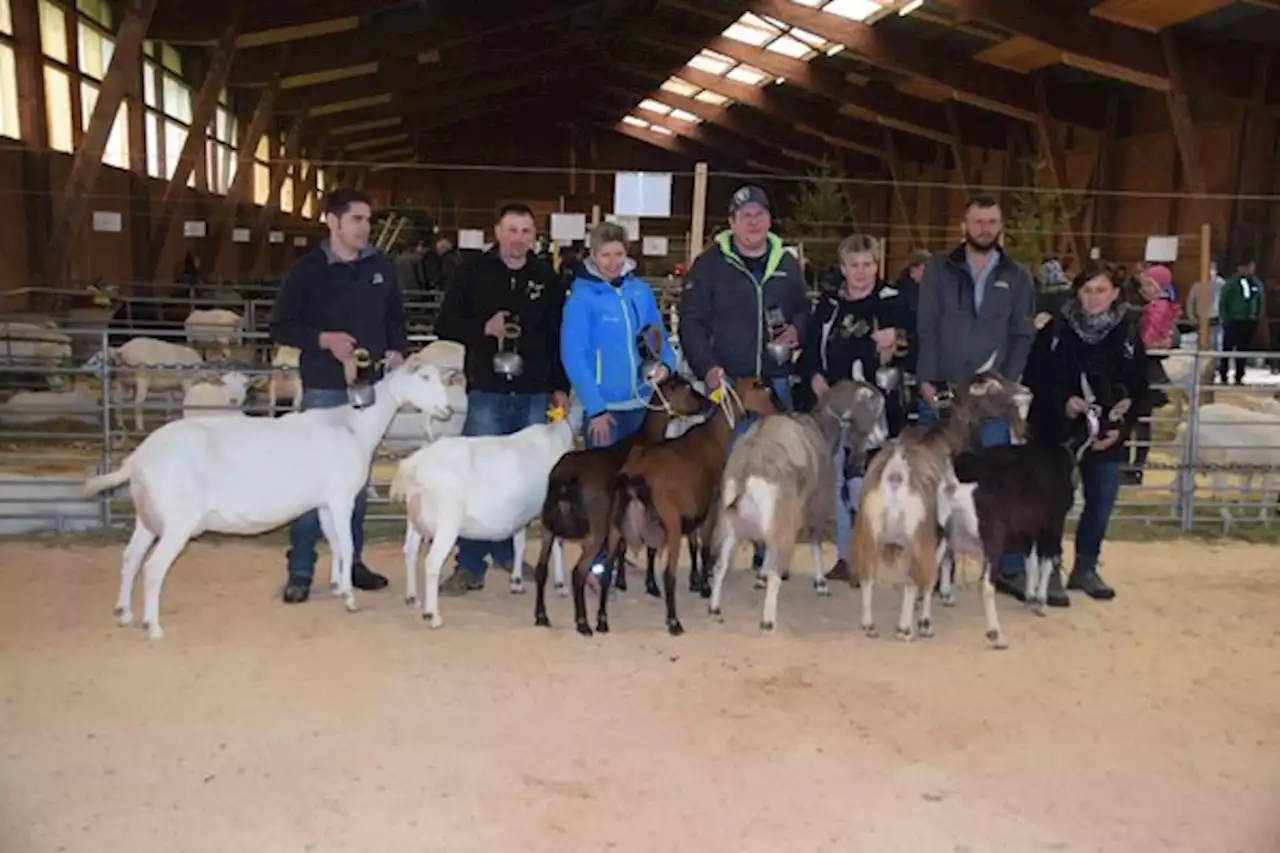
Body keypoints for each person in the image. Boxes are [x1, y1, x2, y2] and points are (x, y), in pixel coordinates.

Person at [269, 187, 409, 604]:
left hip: (366, 391)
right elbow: (282, 325)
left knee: (355, 481)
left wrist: (397, 349)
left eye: (368, 220)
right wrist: (323, 339)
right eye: (357, 219)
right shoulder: (307, 270)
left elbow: (396, 317)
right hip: (325, 391)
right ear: (332, 221)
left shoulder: (380, 267)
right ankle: (301, 569)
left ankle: (353, 562)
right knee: (312, 482)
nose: (366, 227)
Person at [434, 202, 570, 595]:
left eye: (526, 231)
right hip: (488, 391)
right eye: (512, 230)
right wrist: (482, 328)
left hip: (532, 391)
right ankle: (470, 562)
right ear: (497, 231)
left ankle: (510, 553)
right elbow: (444, 323)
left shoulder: (546, 277)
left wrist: (558, 385)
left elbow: (556, 335)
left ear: (534, 236)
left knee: (524, 480)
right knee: (478, 476)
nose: (518, 239)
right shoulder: (472, 272)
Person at [678, 184, 809, 572]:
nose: (753, 221)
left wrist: (796, 332)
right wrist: (708, 368)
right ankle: (716, 549)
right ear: (732, 222)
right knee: (726, 469)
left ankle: (765, 551)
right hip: (729, 387)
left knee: (775, 470)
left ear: (769, 220)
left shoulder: (786, 264)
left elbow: (803, 309)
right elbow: (691, 322)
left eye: (760, 214)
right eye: (745, 215)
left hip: (774, 384)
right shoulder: (709, 265)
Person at [915, 194, 1037, 597]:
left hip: (993, 397)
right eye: (978, 221)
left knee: (1002, 477)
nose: (985, 228)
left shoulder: (1017, 276)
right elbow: (927, 327)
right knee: (937, 477)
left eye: (992, 221)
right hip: (946, 391)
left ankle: (1009, 566)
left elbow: (1022, 334)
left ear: (1001, 226)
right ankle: (933, 563)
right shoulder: (939, 270)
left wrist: (1007, 381)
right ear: (963, 226)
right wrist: (928, 380)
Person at [1022, 262, 1148, 602]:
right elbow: (1032, 374)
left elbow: (1140, 387)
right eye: (1087, 290)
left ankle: (1086, 566)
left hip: (1104, 434)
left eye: (1101, 291)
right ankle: (1049, 566)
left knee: (1101, 500)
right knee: (1051, 503)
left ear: (1115, 294)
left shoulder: (1129, 335)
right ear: (1076, 292)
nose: (1093, 298)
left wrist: (1121, 428)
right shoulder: (1056, 329)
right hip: (1054, 432)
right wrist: (1063, 401)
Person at [800, 235, 912, 582]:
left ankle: (876, 550)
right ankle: (848, 556)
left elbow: (916, 346)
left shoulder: (894, 303)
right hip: (835, 412)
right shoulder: (829, 307)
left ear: (876, 266)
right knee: (837, 487)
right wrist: (814, 377)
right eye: (854, 265)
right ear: (843, 268)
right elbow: (809, 352)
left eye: (867, 264)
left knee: (866, 487)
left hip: (878, 414)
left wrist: (899, 340)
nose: (860, 272)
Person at [561, 222, 677, 449]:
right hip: (606, 412)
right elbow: (574, 356)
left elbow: (657, 334)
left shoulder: (640, 291)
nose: (613, 262)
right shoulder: (581, 299)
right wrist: (596, 409)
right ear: (593, 255)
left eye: (619, 254)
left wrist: (666, 364)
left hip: (644, 405)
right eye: (605, 255)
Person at [1126, 270, 1182, 485]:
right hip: (1142, 369)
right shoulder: (1151, 308)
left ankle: (1134, 467)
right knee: (1136, 421)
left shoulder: (1157, 309)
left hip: (1146, 371)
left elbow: (1152, 339)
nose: (1144, 289)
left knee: (1138, 420)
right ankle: (1132, 466)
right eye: (1143, 285)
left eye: (1149, 285)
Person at [1217, 254, 1263, 385]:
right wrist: (1225, 318)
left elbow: (1260, 300)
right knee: (1227, 348)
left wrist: (1256, 316)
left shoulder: (1256, 283)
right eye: (1247, 267)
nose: (1250, 269)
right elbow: (1223, 302)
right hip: (1233, 320)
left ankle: (1239, 375)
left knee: (1244, 349)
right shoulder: (1231, 284)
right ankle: (1223, 374)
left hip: (1249, 321)